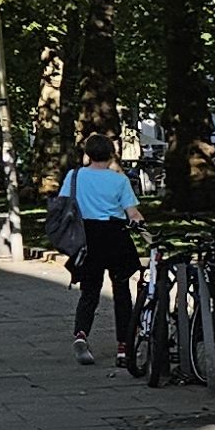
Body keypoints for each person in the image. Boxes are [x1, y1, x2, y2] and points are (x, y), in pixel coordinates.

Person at [64, 134, 146, 367]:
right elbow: (133, 214)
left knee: (90, 291)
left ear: (88, 154)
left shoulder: (75, 176)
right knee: (121, 292)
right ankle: (124, 346)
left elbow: (65, 205)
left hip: (87, 239)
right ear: (111, 154)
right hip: (115, 237)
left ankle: (81, 334)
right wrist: (141, 224)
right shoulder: (119, 181)